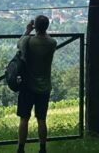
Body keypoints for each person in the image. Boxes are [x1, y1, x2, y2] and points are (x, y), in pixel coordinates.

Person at [17, 15, 57, 153]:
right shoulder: (52, 43)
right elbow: (48, 37)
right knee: (41, 119)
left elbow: (19, 44)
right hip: (44, 87)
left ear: (35, 26)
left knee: (24, 119)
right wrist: (42, 30)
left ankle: (21, 148)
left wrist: (28, 30)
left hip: (27, 86)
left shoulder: (28, 41)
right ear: (46, 27)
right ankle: (42, 148)